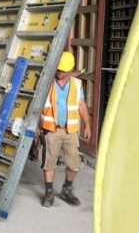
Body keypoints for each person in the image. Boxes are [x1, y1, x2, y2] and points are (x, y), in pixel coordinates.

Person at [40, 51, 91, 207]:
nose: (59, 72)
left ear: (70, 70)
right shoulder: (47, 81)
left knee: (74, 163)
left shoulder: (76, 84)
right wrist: (36, 127)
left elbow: (81, 105)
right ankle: (49, 193)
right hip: (51, 130)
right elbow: (37, 105)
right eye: (58, 69)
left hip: (70, 131)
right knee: (49, 162)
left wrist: (87, 125)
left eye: (62, 70)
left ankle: (67, 190)